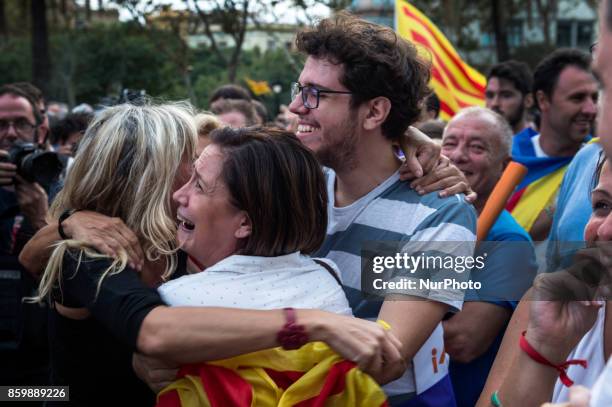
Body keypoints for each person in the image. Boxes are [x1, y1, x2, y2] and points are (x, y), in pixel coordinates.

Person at [24, 102, 404, 406]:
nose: (193, 178)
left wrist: (402, 142)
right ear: (148, 176)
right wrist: (311, 323)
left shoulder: (443, 212)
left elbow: (451, 341)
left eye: (200, 177)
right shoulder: (91, 252)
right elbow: (152, 329)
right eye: (191, 163)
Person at [288, 12, 477, 405]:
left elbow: (387, 356)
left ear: (375, 112)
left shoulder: (440, 213)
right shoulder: (297, 182)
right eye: (299, 89)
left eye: (315, 94)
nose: (295, 106)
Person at [440, 107, 537, 406]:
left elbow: (463, 341)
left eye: (477, 147)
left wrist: (372, 326)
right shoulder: (428, 220)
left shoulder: (510, 241)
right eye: (450, 143)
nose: (458, 156)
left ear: (504, 166)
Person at [0, 84, 61, 389]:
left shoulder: (65, 186)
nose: (10, 133)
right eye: (1, 124)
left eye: (21, 123)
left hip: (44, 364)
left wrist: (41, 217)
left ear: (40, 131)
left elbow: (77, 270)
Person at [506, 49, 598, 240]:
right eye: (577, 98)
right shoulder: (504, 159)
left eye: (594, 98)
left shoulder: (600, 163)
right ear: (543, 100)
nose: (591, 109)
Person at [485, 60, 533, 135]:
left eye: (506, 96)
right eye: (490, 95)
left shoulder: (540, 146)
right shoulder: (474, 143)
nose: (495, 103)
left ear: (528, 101)